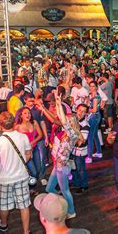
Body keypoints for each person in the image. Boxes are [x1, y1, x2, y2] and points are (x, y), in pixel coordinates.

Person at [0, 111, 32, 234]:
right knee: (24, 205)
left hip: (5, 179)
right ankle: (26, 231)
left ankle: (3, 225)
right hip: (22, 176)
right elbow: (28, 154)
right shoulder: (23, 137)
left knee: (4, 205)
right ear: (14, 123)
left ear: (0, 125)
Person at [43, 91, 82, 219]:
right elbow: (61, 118)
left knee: (65, 190)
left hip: (62, 167)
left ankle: (71, 211)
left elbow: (63, 120)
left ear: (72, 123)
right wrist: (58, 103)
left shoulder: (73, 134)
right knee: (49, 188)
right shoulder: (67, 132)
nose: (65, 121)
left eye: (68, 121)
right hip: (57, 165)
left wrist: (59, 104)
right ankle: (62, 203)